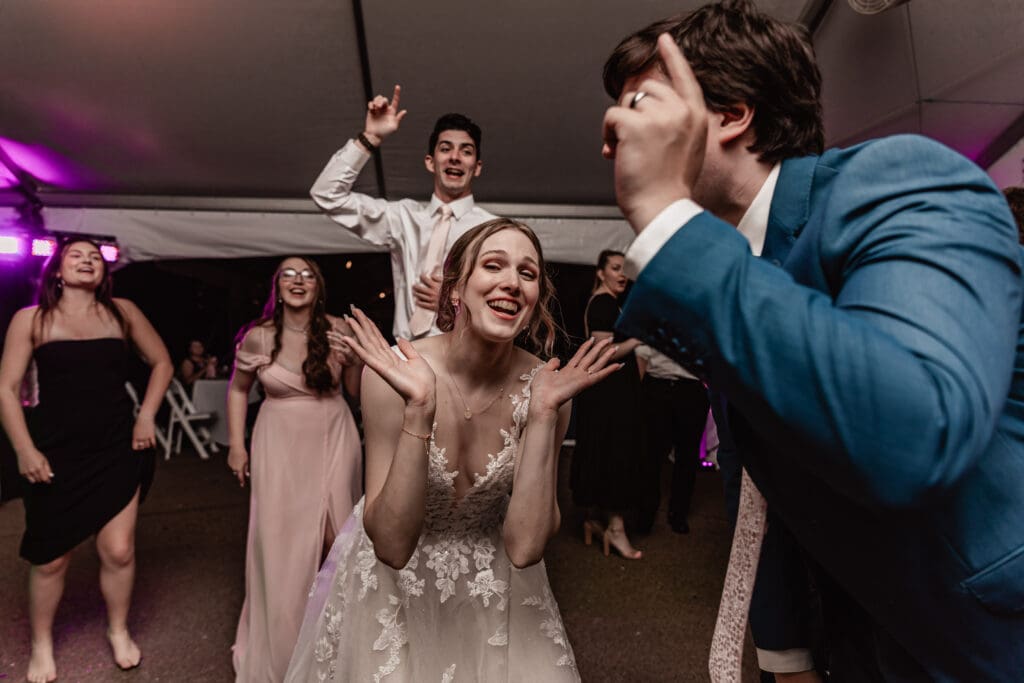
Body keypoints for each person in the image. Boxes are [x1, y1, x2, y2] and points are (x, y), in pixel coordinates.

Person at [602, 2, 1024, 680]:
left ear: (732, 114)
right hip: (861, 638)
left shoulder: (900, 183)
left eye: (639, 103)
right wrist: (787, 649)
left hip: (984, 637)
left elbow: (916, 429)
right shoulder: (739, 262)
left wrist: (670, 222)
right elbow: (765, 476)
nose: (612, 133)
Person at [284, 219, 619, 682]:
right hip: (394, 590)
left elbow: (525, 548)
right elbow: (392, 546)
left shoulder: (547, 389)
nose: (510, 282)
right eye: (493, 265)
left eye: (527, 273)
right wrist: (419, 409)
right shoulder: (394, 377)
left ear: (537, 298)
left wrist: (542, 417)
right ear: (456, 288)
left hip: (495, 589)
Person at [0, 238, 173, 683]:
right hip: (53, 450)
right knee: (51, 558)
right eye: (75, 254)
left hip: (116, 446)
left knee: (118, 549)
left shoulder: (123, 312)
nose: (86, 259)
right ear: (56, 269)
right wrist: (23, 449)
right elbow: (6, 388)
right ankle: (41, 644)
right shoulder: (32, 319)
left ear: (104, 271)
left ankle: (118, 630)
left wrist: (146, 417)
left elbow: (162, 363)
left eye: (95, 256)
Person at [226, 256, 363, 682]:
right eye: (289, 273)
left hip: (335, 434)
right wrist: (235, 445)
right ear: (277, 285)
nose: (298, 280)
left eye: (307, 274)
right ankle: (286, 648)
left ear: (318, 287)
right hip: (278, 441)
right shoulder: (259, 337)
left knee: (336, 542)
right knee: (282, 545)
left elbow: (357, 394)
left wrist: (355, 361)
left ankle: (335, 646)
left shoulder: (339, 329)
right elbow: (237, 390)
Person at [311, 86, 496, 340]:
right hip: (406, 356)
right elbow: (326, 195)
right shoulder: (403, 216)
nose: (455, 157)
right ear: (430, 161)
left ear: (476, 167)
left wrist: (458, 298)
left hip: (466, 360)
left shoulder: (493, 230)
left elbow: (506, 297)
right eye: (445, 148)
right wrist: (370, 138)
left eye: (466, 151)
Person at [569, 250, 645, 558]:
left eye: (624, 269)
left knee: (608, 450)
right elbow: (605, 351)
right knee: (615, 453)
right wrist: (637, 340)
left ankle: (594, 520)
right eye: (615, 268)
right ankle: (615, 528)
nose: (622, 274)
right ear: (601, 272)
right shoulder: (601, 302)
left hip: (611, 392)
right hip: (608, 394)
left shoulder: (609, 302)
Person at [634, 344, 709, 534]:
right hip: (657, 385)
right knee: (650, 454)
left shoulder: (703, 316)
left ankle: (679, 514)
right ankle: (646, 513)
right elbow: (642, 349)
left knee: (688, 456)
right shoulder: (657, 314)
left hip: (691, 388)